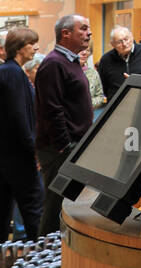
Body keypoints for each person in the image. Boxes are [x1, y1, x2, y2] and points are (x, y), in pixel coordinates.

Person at [34, 14, 94, 235]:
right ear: (66, 33)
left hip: (73, 146)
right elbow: (52, 109)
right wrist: (64, 145)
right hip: (60, 149)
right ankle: (45, 261)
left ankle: (63, 257)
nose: (89, 33)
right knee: (55, 208)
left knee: (69, 206)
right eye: (84, 29)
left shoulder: (69, 61)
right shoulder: (53, 63)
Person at [0, 26, 42, 239]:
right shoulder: (14, 74)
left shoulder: (8, 72)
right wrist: (33, 149)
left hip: (7, 155)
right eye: (31, 44)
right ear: (18, 48)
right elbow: (19, 117)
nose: (36, 48)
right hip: (18, 156)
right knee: (34, 210)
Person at [97, 25, 141, 101]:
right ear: (112, 44)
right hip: (117, 104)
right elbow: (104, 85)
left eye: (126, 39)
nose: (124, 44)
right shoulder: (106, 59)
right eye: (119, 42)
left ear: (132, 37)